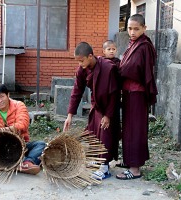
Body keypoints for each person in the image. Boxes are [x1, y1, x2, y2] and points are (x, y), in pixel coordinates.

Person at [63, 42, 120, 180]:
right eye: (78, 61)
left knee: (105, 135)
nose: (80, 64)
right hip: (97, 105)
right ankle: (97, 160)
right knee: (94, 133)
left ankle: (105, 167)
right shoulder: (82, 69)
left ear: (90, 56)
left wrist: (108, 115)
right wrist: (69, 116)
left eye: (82, 60)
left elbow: (114, 94)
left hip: (109, 107)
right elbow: (77, 92)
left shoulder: (108, 68)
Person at [116, 14, 158, 180]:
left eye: (136, 29)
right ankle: (129, 161)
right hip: (128, 93)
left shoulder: (145, 46)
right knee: (128, 129)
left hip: (137, 94)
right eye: (129, 29)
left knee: (135, 130)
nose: (132, 32)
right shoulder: (133, 44)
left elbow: (138, 69)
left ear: (144, 28)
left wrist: (120, 70)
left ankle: (135, 170)